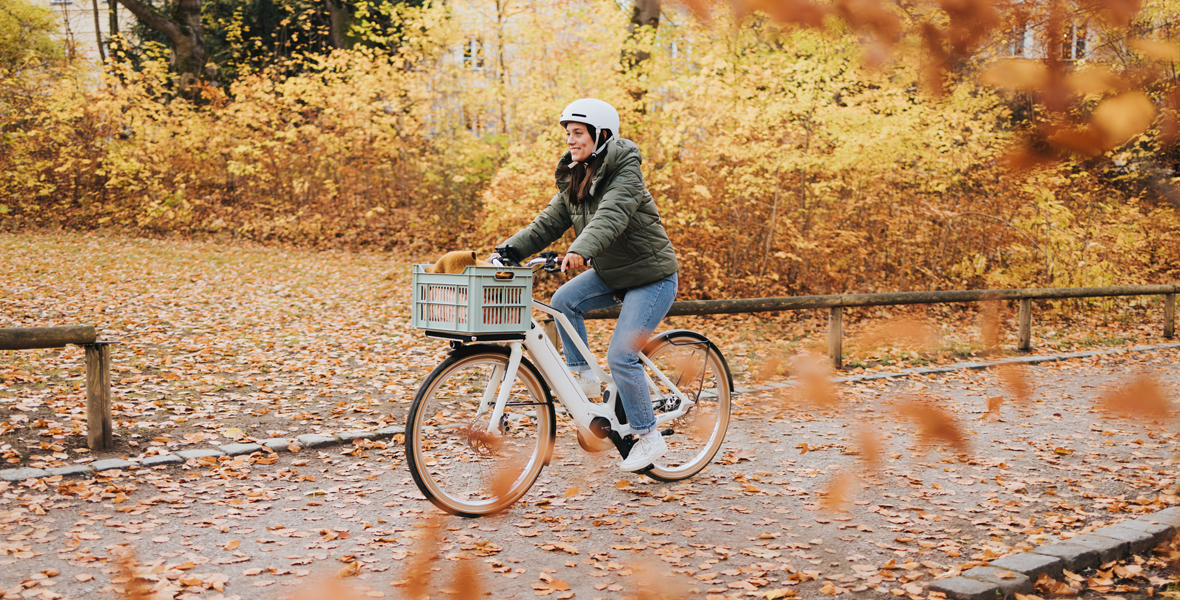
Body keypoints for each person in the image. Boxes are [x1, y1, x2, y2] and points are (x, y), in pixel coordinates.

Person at [492, 98, 679, 472]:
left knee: (621, 355)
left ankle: (649, 437)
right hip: (613, 272)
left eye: (578, 133)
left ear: (602, 135)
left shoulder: (625, 170)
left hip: (651, 276)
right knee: (563, 302)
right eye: (568, 134)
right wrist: (509, 250)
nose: (570, 140)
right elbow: (548, 221)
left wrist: (580, 250)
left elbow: (611, 216)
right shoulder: (578, 174)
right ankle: (586, 381)